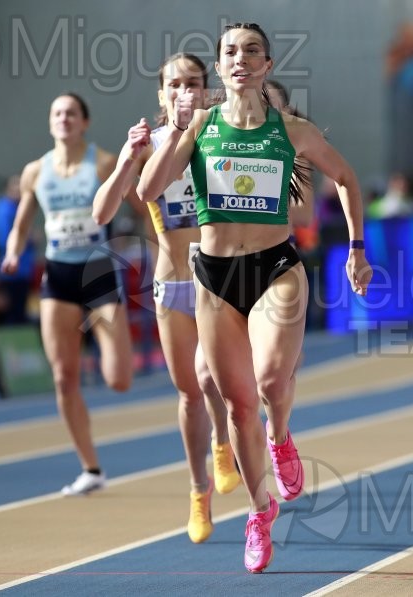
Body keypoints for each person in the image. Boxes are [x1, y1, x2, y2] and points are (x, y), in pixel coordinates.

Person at [136, 22, 372, 573]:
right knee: (238, 403)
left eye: (250, 51)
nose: (239, 59)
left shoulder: (292, 130)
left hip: (276, 267)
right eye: (229, 53)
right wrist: (172, 132)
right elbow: (148, 191)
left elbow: (348, 179)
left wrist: (357, 248)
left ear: (267, 65)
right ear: (219, 69)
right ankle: (260, 512)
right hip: (214, 277)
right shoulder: (197, 126)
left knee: (270, 381)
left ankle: (282, 437)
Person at [93, 53, 241, 543]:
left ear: (208, 90)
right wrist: (126, 158)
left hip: (216, 281)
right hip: (172, 283)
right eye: (175, 84)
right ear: (162, 95)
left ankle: (225, 440)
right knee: (188, 392)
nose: (185, 91)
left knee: (212, 376)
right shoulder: (148, 143)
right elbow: (102, 212)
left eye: (194, 83)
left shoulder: (223, 134)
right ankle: (198, 491)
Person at [2, 93, 134, 496]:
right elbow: (23, 224)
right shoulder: (35, 171)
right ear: (50, 122)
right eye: (57, 112)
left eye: (71, 113)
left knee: (119, 380)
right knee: (63, 377)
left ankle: (94, 454)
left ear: (85, 122)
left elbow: (144, 208)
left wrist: (164, 247)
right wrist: (11, 252)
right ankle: (90, 468)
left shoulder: (106, 162)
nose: (64, 119)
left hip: (98, 274)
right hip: (57, 276)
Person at [0, 174, 35, 324]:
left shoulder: (19, 208)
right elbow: (5, 238)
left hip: (23, 271)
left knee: (20, 312)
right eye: (15, 186)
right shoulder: (3, 209)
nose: (18, 190)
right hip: (11, 270)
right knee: (12, 312)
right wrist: (29, 239)